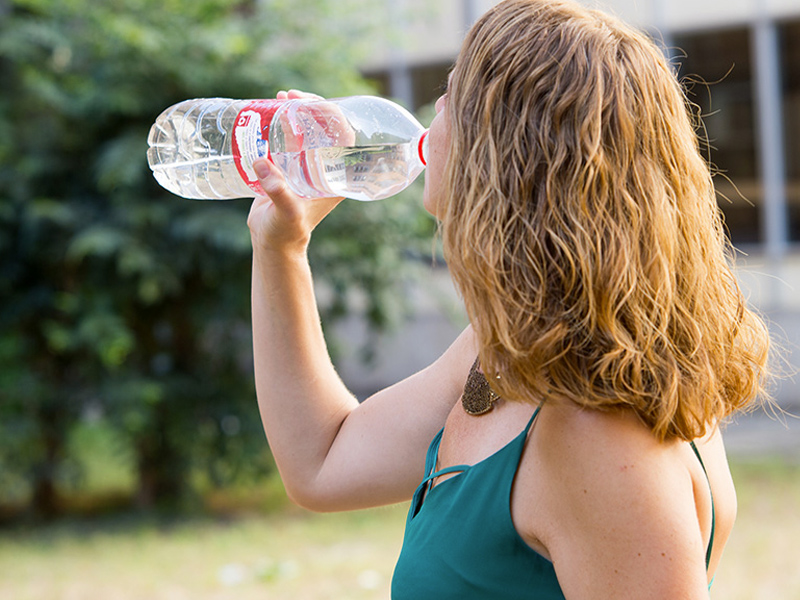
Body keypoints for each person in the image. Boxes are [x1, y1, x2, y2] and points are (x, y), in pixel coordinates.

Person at [246, 0, 771, 597]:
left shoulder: (596, 434)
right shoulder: (517, 352)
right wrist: (282, 247)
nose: (434, 111)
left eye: (452, 94)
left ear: (505, 154)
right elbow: (323, 463)